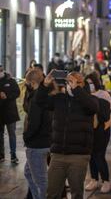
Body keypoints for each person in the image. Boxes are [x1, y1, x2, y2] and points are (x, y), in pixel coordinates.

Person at [40, 71, 98, 199]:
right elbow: (40, 102)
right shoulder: (59, 99)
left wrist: (76, 89)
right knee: (51, 193)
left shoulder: (90, 99)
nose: (72, 84)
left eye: (77, 82)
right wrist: (44, 85)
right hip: (57, 155)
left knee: (77, 193)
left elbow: (93, 108)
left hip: (78, 156)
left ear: (82, 85)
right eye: (70, 81)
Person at [23, 69, 51, 199]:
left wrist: (26, 136)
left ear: (31, 82)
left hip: (37, 145)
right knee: (28, 173)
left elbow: (34, 122)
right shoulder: (47, 95)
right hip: (45, 141)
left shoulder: (35, 99)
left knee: (41, 181)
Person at [84, 73, 111, 194]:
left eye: (91, 82)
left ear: (96, 82)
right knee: (91, 155)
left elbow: (106, 115)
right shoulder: (84, 95)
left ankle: (106, 181)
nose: (90, 85)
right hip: (89, 130)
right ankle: (94, 179)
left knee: (99, 155)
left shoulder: (103, 94)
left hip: (102, 129)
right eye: (87, 83)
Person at [0, 65, 21, 164]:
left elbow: (17, 92)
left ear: (2, 70)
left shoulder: (10, 80)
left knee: (12, 134)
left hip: (10, 112)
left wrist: (7, 96)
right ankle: (1, 155)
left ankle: (13, 154)